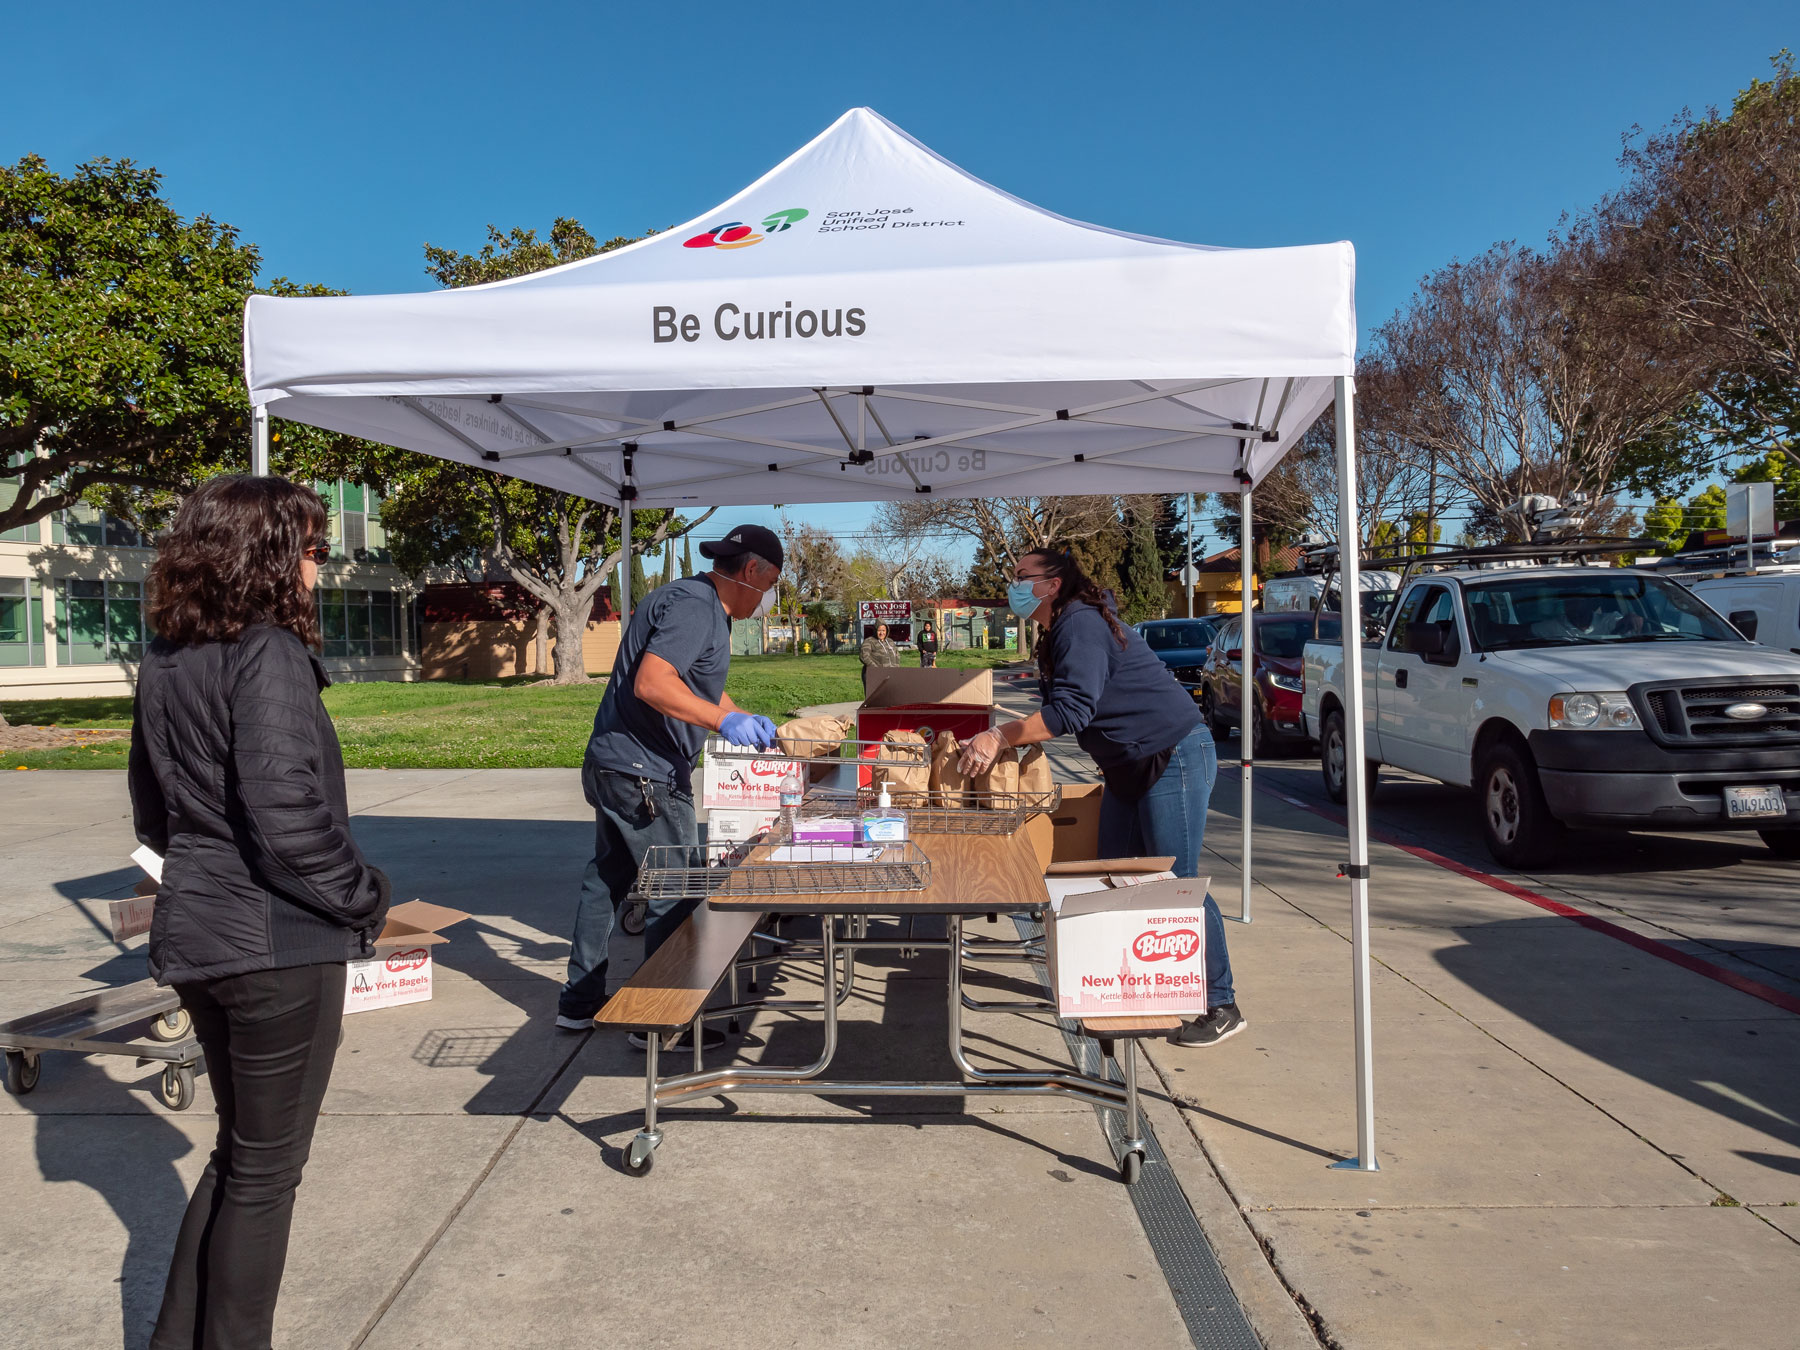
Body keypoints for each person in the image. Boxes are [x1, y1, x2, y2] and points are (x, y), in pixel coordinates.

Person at [129, 475, 392, 1349]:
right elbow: (287, 819)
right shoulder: (267, 649)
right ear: (272, 554)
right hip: (275, 945)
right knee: (267, 1174)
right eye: (314, 549)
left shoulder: (166, 653)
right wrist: (365, 896)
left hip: (203, 931)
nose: (322, 566)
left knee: (240, 1158)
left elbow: (151, 811)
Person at [957, 548, 1245, 1047]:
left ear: (1051, 584)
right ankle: (1128, 986)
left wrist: (1001, 736)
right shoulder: (1060, 629)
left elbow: (1071, 712)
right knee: (1113, 869)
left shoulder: (1080, 623)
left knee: (1174, 880)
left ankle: (1221, 1003)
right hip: (1128, 764)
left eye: (1023, 576)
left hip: (1171, 754)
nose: (1015, 585)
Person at [558, 524, 784, 1043]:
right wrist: (723, 724)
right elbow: (653, 683)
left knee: (607, 880)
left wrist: (738, 714)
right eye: (770, 586)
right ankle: (660, 1022)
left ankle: (578, 1003)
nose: (767, 600)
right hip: (646, 773)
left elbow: (695, 683)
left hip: (615, 761)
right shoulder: (695, 608)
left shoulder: (690, 600)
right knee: (676, 891)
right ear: (753, 571)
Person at [859, 621, 901, 688]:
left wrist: (897, 669)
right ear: (875, 630)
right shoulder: (869, 641)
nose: (881, 633)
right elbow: (864, 656)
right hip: (875, 675)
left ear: (887, 630)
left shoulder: (890, 641)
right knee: (876, 697)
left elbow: (897, 655)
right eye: (879, 630)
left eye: (883, 630)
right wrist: (876, 669)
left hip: (891, 675)